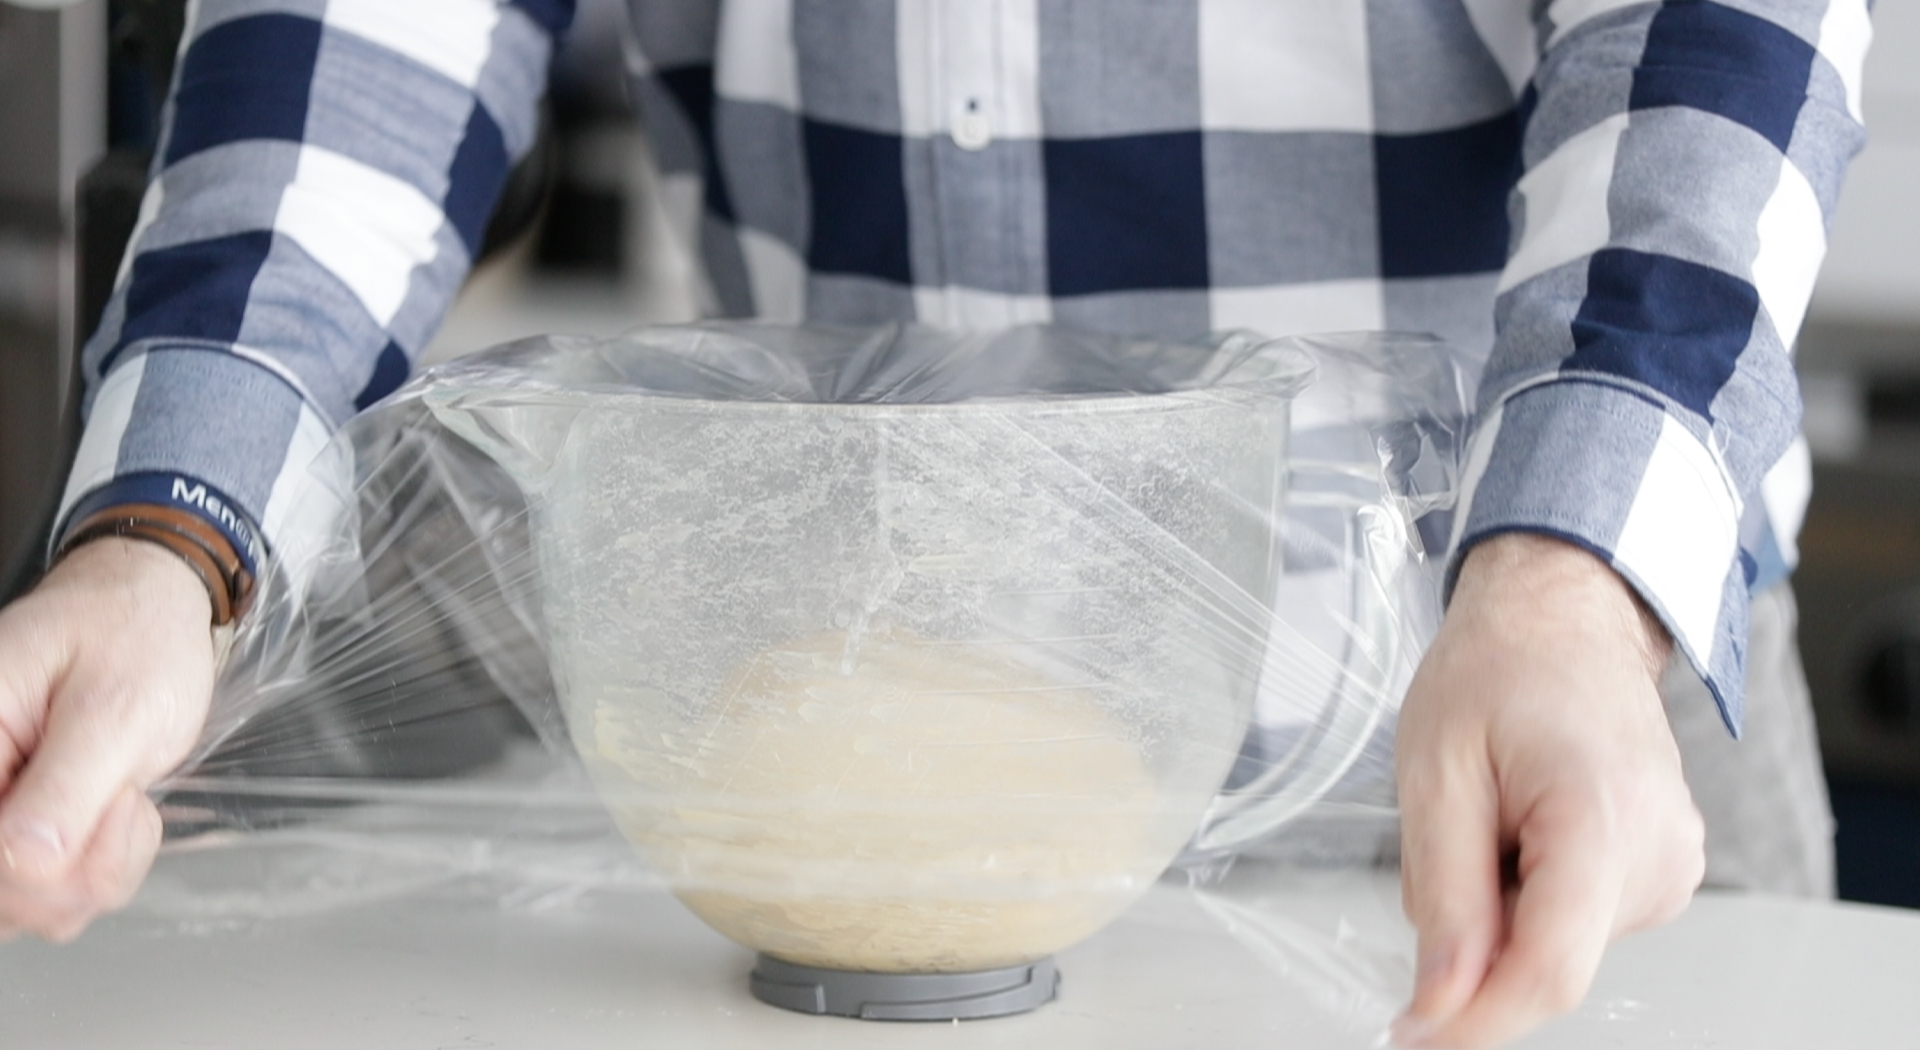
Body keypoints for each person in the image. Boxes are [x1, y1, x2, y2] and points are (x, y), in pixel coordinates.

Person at [0, 1, 1870, 1046]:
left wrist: (1557, 585)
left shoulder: (1552, 639)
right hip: (855, 803)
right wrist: (173, 529)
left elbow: (1705, 31)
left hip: (1536, 723)